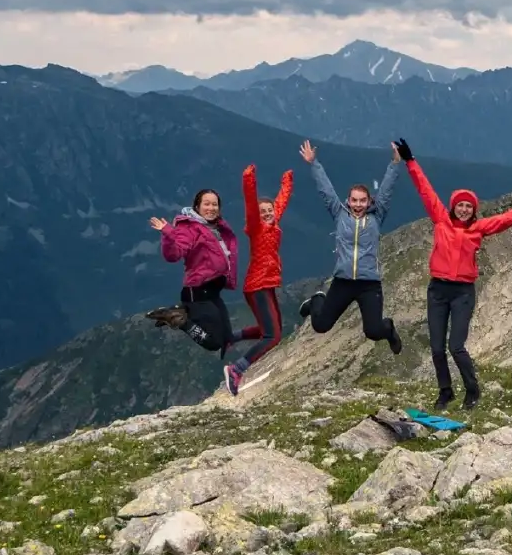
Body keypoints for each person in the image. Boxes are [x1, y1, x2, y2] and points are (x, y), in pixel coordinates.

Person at [399, 139, 512, 410]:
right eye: (460, 205)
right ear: (453, 206)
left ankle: (472, 391)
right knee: (437, 348)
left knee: (455, 346)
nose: (464, 209)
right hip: (437, 290)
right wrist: (410, 161)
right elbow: (425, 190)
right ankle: (445, 391)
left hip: (462, 293)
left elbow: (509, 217)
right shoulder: (440, 219)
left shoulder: (479, 228)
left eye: (468, 206)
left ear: (474, 210)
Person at [296, 140, 404, 353]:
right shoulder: (339, 213)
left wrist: (395, 163)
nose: (357, 205)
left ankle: (389, 328)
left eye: (362, 201)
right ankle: (318, 299)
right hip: (343, 281)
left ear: (369, 202)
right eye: (354, 200)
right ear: (348, 201)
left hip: (369, 284)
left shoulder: (377, 215)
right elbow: (326, 190)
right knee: (320, 325)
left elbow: (387, 190)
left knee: (373, 331)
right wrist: (313, 163)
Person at [145, 189, 241, 370]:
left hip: (212, 292)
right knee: (213, 342)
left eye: (215, 204)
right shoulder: (189, 227)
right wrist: (168, 234)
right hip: (197, 293)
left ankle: (235, 371)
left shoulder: (215, 227)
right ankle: (179, 319)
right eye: (207, 204)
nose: (211, 208)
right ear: (197, 206)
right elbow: (174, 254)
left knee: (227, 337)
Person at [225, 162, 294, 396]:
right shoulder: (256, 227)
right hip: (258, 285)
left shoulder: (274, 223)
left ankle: (232, 337)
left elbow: (282, 200)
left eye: (269, 210)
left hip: (266, 284)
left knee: (273, 330)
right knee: (272, 336)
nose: (267, 213)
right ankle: (237, 369)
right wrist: (249, 178)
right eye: (263, 211)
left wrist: (287, 179)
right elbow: (250, 203)